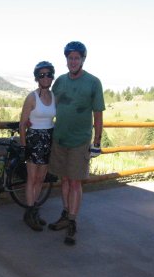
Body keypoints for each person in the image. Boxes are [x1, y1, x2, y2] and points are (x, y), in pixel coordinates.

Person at [48, 41, 105, 245]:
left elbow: (98, 115)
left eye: (76, 58)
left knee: (74, 182)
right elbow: (50, 107)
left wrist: (97, 141)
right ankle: (65, 214)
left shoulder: (93, 82)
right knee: (63, 180)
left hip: (80, 141)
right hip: (60, 138)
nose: (73, 61)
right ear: (66, 60)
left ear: (82, 60)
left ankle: (72, 220)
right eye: (70, 58)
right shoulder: (60, 82)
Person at [19, 61, 56, 231]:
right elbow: (22, 124)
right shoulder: (31, 97)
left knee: (41, 179)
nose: (45, 77)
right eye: (42, 75)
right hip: (34, 139)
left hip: (49, 138)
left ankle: (34, 211)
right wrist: (24, 145)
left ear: (52, 76)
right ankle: (29, 213)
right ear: (36, 78)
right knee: (32, 179)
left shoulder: (53, 96)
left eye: (48, 74)